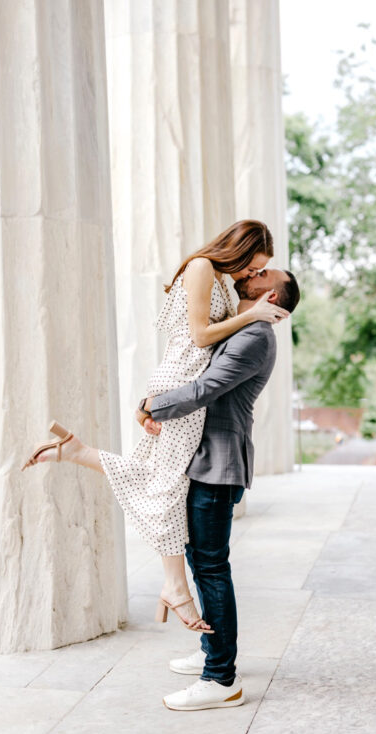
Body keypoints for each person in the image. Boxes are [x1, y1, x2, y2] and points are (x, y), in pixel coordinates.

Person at [22, 220, 289, 633]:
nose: (251, 274)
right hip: (181, 380)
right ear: (237, 249)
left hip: (186, 385)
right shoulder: (202, 267)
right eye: (253, 267)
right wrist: (252, 314)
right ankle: (174, 586)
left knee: (165, 482)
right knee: (165, 484)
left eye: (258, 272)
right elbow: (199, 336)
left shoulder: (220, 279)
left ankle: (77, 453)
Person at [143, 266, 300, 710]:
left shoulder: (255, 337)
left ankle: (221, 678)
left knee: (211, 568)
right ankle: (212, 650)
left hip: (219, 465)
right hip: (209, 459)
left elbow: (206, 388)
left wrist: (151, 405)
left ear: (271, 295)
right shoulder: (243, 326)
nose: (252, 271)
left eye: (262, 272)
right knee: (201, 562)